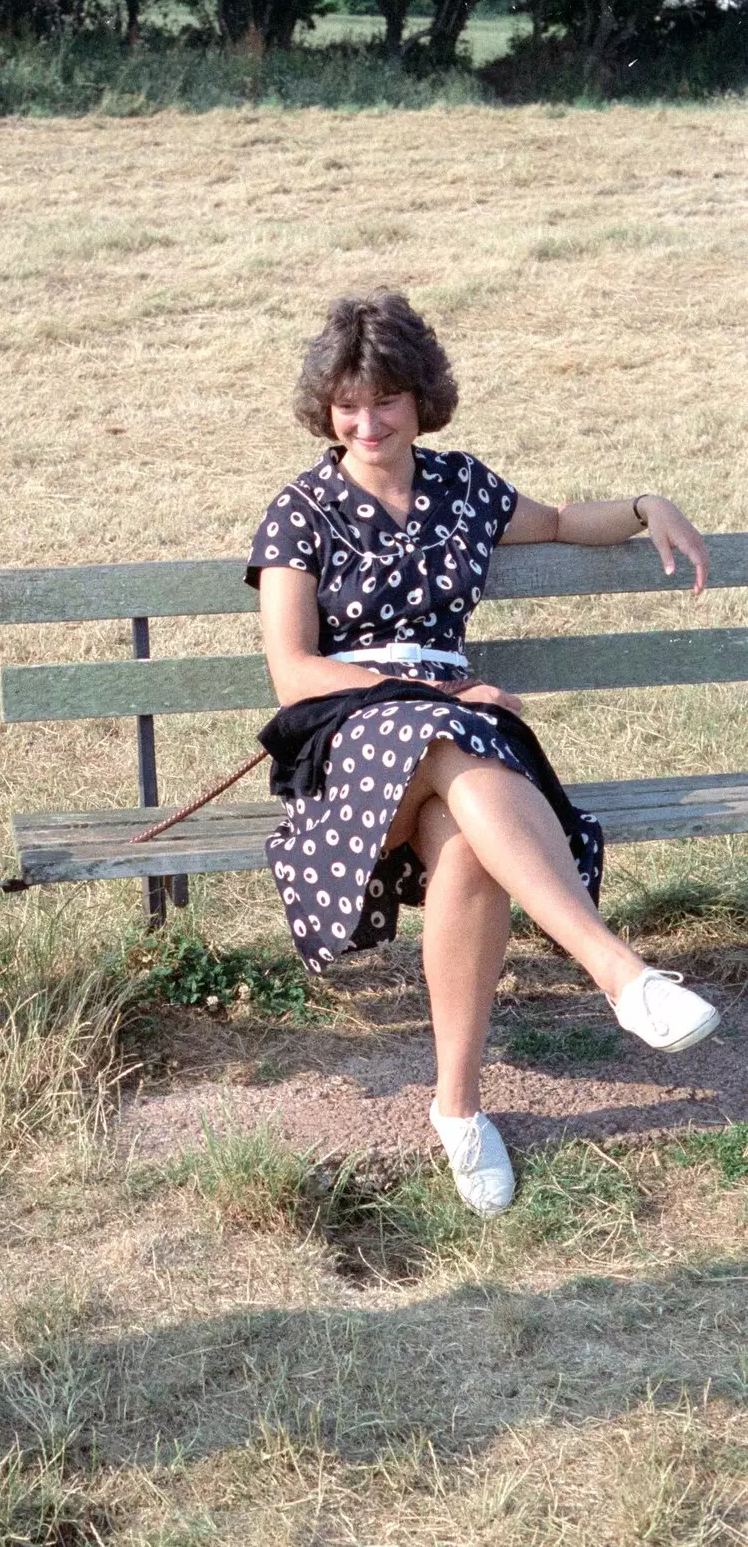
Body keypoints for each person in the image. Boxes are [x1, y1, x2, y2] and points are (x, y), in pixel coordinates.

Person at [246, 288, 719, 1218]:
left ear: (421, 399)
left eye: (384, 399)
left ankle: (458, 1111)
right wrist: (428, 692)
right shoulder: (300, 511)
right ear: (325, 408)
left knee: (468, 848)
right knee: (448, 733)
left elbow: (554, 522)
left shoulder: (462, 488)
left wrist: (641, 504)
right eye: (347, 403)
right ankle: (620, 974)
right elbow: (293, 672)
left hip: (455, 732)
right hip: (347, 736)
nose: (366, 421)